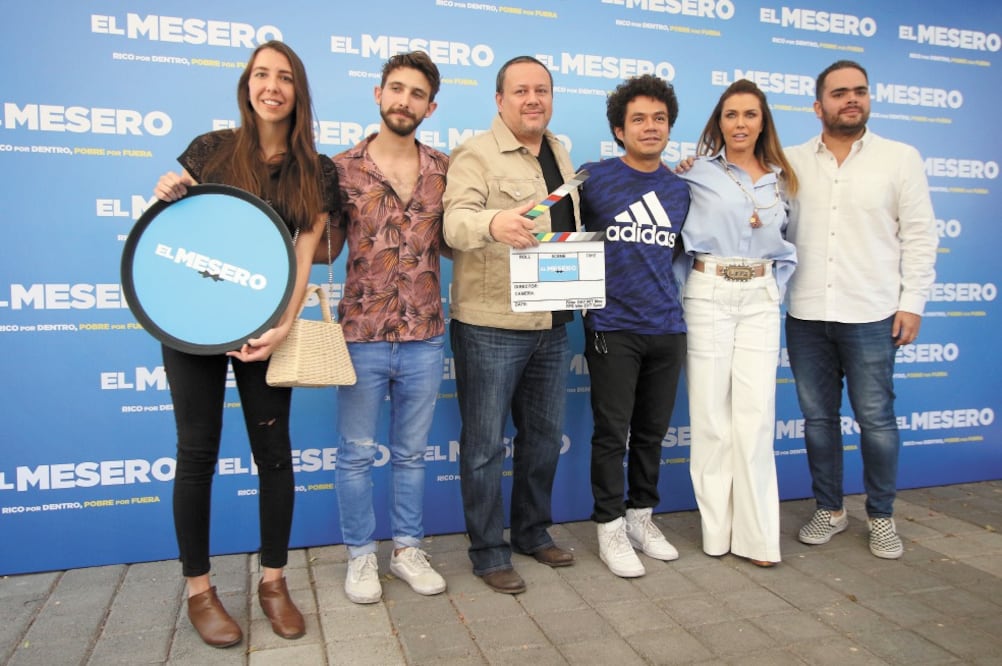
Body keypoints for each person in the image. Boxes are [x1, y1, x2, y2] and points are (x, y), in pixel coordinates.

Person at [153, 41, 339, 647]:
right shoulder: (210, 151)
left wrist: (283, 327)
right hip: (193, 326)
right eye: (262, 74)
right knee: (197, 452)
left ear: (298, 91)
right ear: (247, 85)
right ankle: (199, 590)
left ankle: (274, 581)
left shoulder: (318, 168)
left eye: (285, 76)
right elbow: (175, 230)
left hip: (266, 327)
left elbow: (305, 254)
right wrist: (167, 192)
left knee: (274, 454)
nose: (273, 86)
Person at [784, 60, 937, 559]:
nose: (851, 99)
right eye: (839, 93)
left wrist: (911, 303)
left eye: (860, 91)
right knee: (818, 421)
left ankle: (882, 515)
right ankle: (829, 509)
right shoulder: (789, 162)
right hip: (807, 314)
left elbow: (919, 236)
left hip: (873, 313)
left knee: (876, 421)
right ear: (818, 105)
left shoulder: (900, 158)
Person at [443, 55, 578, 594]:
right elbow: (453, 223)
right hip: (490, 322)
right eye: (520, 91)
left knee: (543, 438)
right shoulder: (475, 153)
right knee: (483, 446)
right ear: (499, 100)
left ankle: (530, 531)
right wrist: (492, 223)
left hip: (551, 319)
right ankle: (488, 550)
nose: (532, 100)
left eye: (541, 90)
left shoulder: (560, 152)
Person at [325, 51, 450, 604]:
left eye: (416, 92)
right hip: (359, 334)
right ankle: (359, 558)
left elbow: (455, 240)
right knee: (354, 453)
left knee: (412, 453)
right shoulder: (340, 168)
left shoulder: (445, 169)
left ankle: (405, 550)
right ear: (378, 94)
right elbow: (322, 244)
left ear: (431, 105)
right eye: (396, 88)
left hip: (425, 334)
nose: (405, 100)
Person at [677, 79, 798, 568]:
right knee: (711, 420)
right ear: (719, 122)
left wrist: (774, 288)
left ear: (763, 120)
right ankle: (716, 534)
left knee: (755, 418)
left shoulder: (783, 178)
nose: (741, 123)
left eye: (750, 114)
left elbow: (793, 243)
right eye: (731, 115)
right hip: (707, 291)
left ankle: (758, 540)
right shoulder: (694, 173)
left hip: (760, 298)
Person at [577, 74, 690, 578]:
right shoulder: (591, 179)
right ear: (619, 130)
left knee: (651, 433)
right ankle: (609, 527)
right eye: (638, 119)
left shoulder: (680, 190)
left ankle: (642, 517)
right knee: (611, 433)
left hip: (668, 326)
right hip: (612, 326)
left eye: (659, 119)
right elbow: (550, 232)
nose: (650, 127)